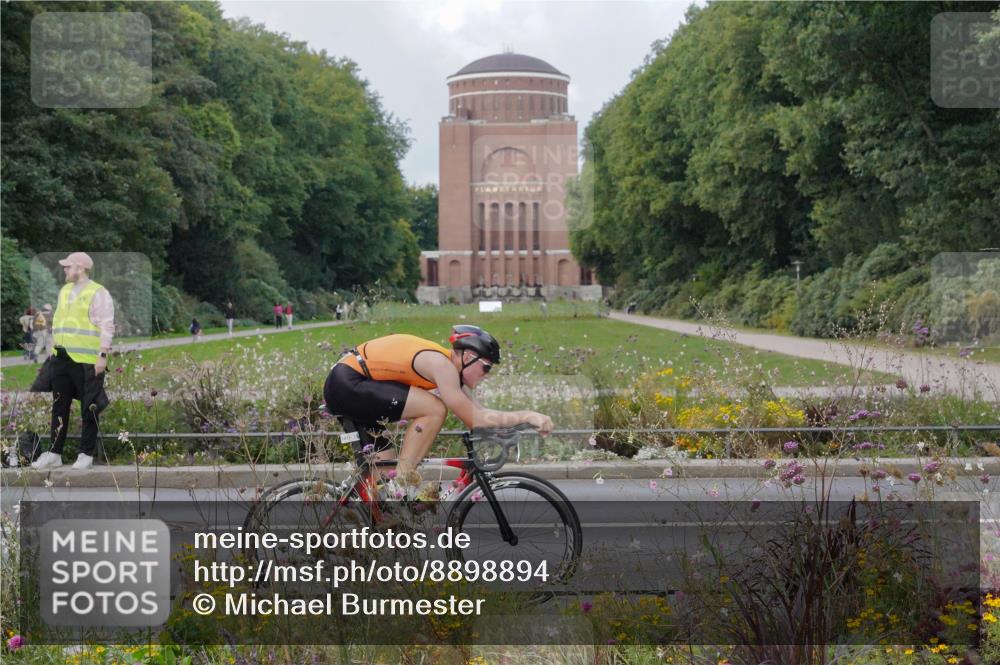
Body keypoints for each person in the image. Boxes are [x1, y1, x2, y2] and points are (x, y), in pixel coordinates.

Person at [323, 325, 553, 497]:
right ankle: (401, 481)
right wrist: (528, 416)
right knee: (434, 409)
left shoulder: (452, 373)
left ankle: (377, 541)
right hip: (348, 382)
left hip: (353, 385)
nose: (487, 374)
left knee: (382, 492)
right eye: (486, 367)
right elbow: (476, 418)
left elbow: (479, 417)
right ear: (469, 357)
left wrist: (514, 426)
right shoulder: (443, 366)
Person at [31, 252, 114, 471]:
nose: (65, 270)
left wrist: (102, 356)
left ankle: (85, 454)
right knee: (59, 406)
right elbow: (60, 323)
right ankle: (55, 453)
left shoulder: (98, 293)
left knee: (90, 407)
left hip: (88, 360)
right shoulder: (65, 291)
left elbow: (107, 326)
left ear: (80, 268)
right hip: (61, 358)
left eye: (68, 267)